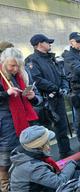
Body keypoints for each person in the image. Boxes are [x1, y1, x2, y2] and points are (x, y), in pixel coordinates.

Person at [25, 34, 75, 159]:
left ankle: (65, 151)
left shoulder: (51, 58)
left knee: (62, 127)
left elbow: (62, 75)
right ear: (40, 44)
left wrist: (64, 88)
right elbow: (37, 79)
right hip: (45, 101)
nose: (50, 44)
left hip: (58, 98)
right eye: (48, 42)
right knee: (44, 130)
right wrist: (56, 88)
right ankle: (42, 158)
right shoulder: (32, 60)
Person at [0, 48, 41, 191]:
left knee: (25, 153)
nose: (16, 69)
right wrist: (6, 93)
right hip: (4, 123)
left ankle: (24, 184)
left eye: (18, 66)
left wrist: (33, 97)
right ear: (4, 63)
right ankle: (5, 187)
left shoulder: (24, 73)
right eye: (12, 66)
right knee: (5, 158)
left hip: (24, 120)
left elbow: (38, 98)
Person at [9, 126, 77, 191]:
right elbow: (60, 182)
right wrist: (71, 162)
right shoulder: (33, 167)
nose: (49, 141)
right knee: (76, 175)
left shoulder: (21, 153)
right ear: (42, 145)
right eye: (48, 139)